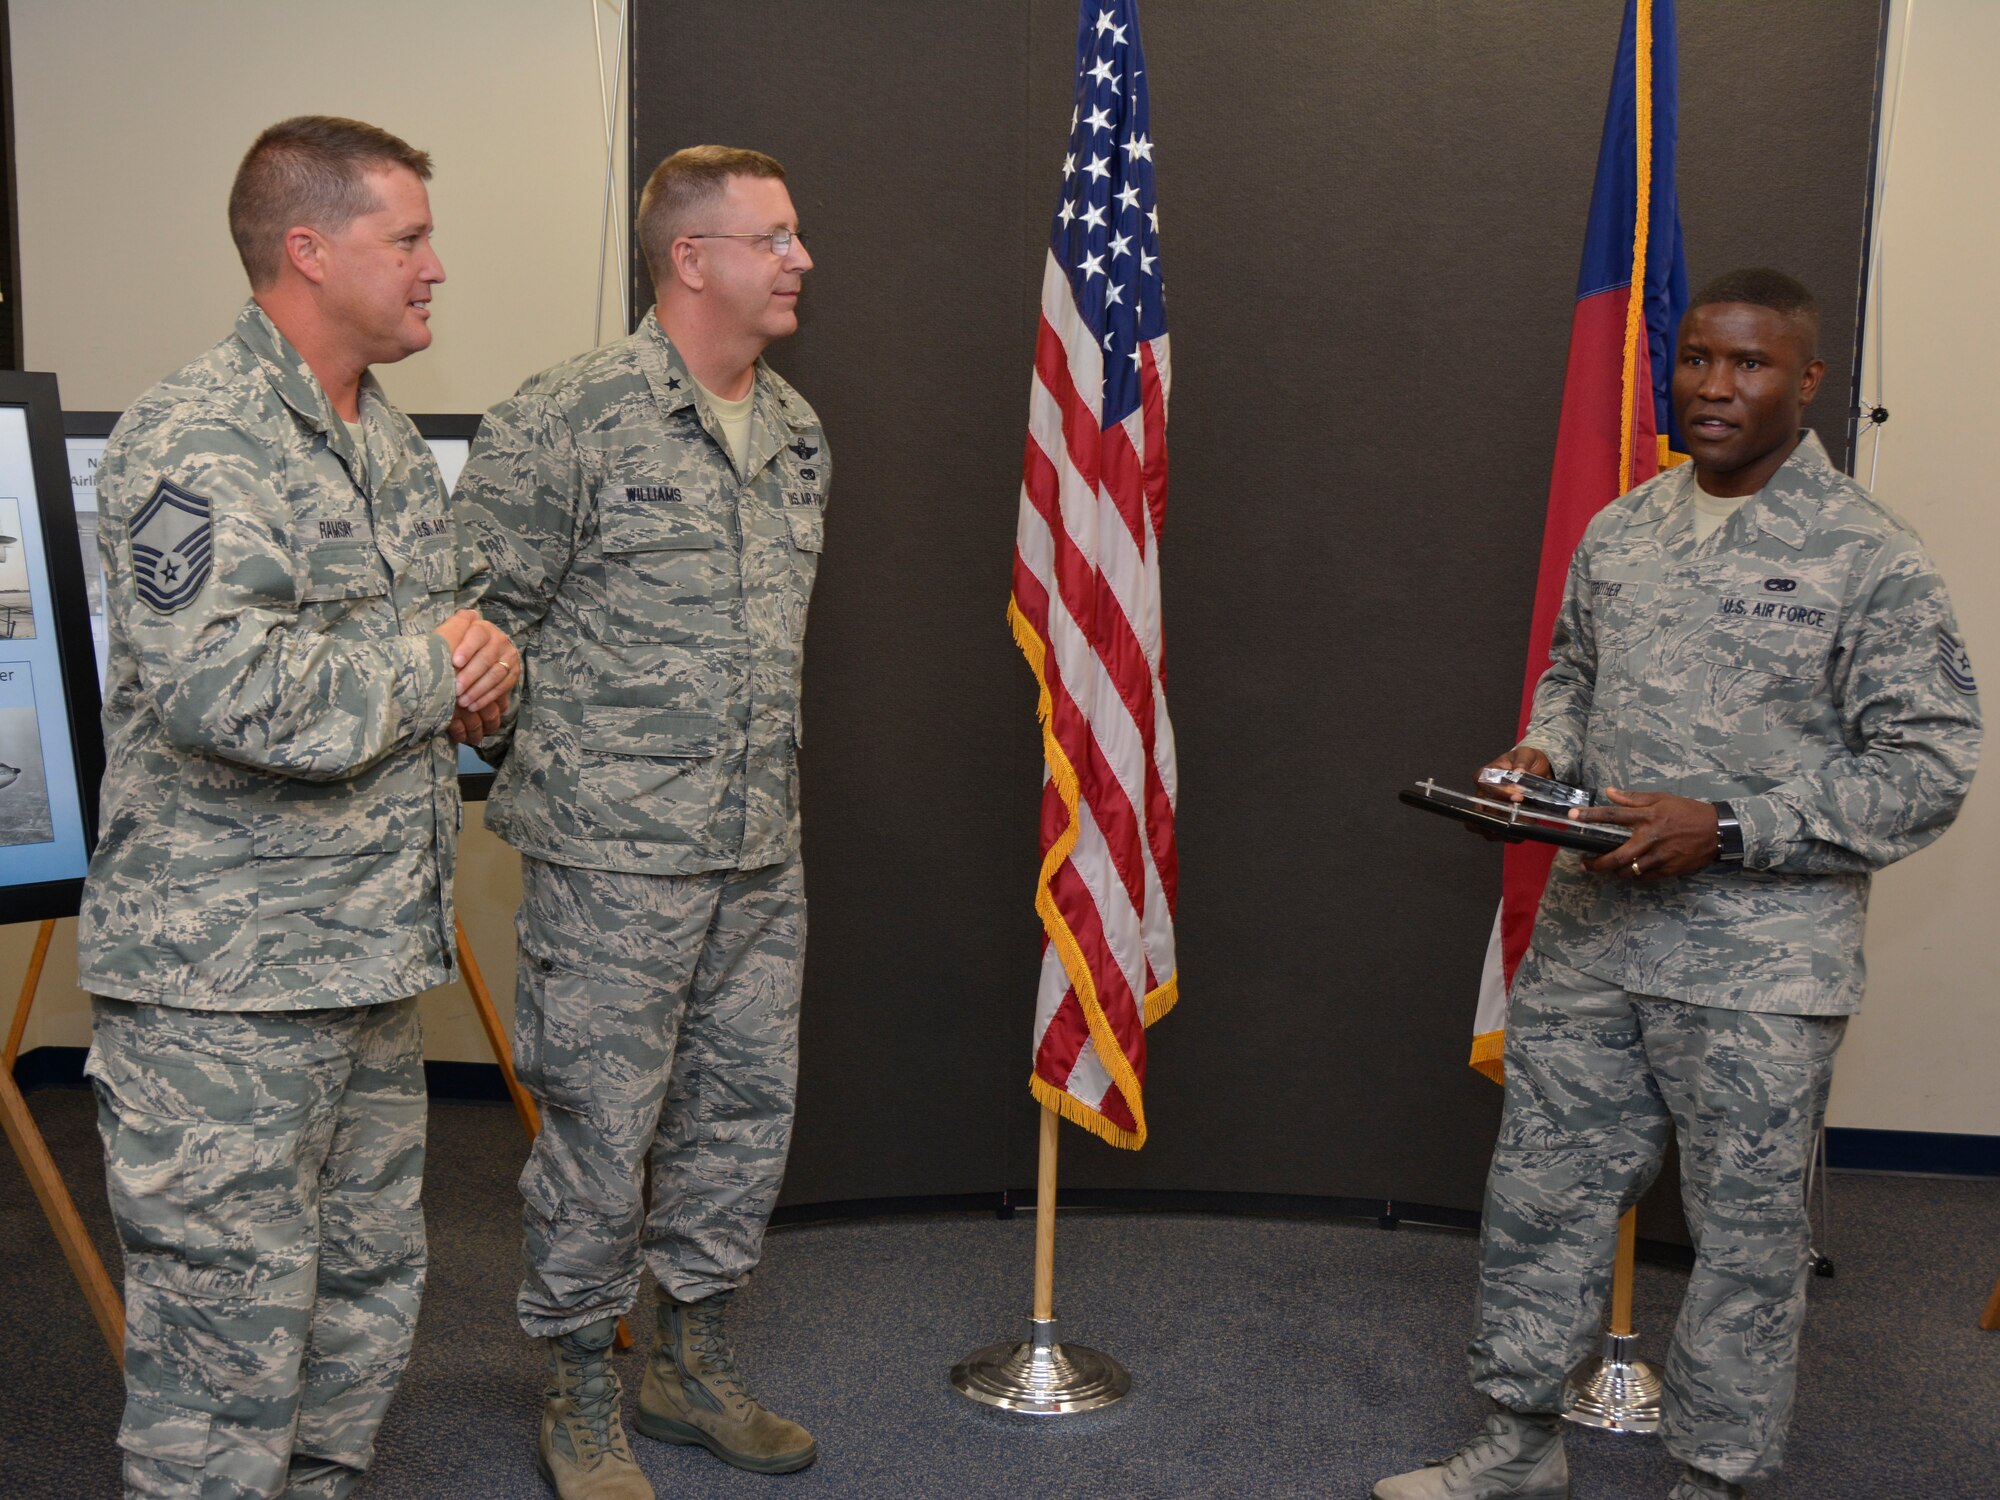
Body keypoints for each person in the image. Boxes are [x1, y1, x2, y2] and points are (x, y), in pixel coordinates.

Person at [1374, 268, 1982, 1500]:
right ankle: (1512, 1446)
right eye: (1696, 357)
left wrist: (1736, 827)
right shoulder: (1625, 526)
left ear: (1805, 382)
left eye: (1748, 364)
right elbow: (1571, 675)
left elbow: (1927, 766)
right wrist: (1537, 757)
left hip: (1759, 968)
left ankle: (1709, 1477)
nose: (1713, 385)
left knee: (1745, 1244)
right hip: (1596, 941)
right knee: (1539, 1200)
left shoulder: (1867, 556)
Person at [78, 115, 519, 1500]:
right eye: (410, 238)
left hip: (366, 959)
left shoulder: (379, 443)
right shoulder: (197, 438)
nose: (437, 267)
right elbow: (225, 688)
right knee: (222, 1331)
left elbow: (410, 663)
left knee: (360, 1288)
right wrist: (431, 666)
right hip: (225, 990)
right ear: (308, 250)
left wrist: (477, 687)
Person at [454, 145, 824, 1499]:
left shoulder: (795, 430)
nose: (798, 259)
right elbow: (484, 636)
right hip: (612, 864)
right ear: (692, 258)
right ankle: (578, 1386)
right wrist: (561, 780)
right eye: (772, 237)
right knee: (600, 1139)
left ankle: (690, 1359)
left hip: (757, 850)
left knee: (740, 1120)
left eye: (794, 237)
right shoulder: (564, 419)